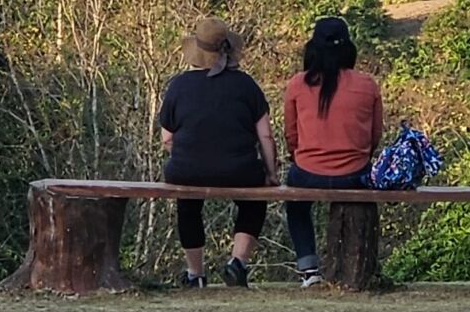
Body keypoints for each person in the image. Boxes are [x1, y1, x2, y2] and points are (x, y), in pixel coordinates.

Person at [159, 16, 278, 289]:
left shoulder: (179, 85)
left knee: (188, 204)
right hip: (240, 169)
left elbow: (167, 138)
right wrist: (271, 173)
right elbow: (265, 135)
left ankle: (195, 273)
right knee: (254, 201)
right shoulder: (246, 85)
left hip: (187, 169)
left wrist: (190, 154)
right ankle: (237, 262)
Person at [284, 16, 383, 288]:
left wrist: (302, 157)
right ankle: (358, 269)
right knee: (361, 199)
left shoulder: (296, 84)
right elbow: (375, 135)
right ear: (348, 49)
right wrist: (357, 157)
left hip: (306, 172)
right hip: (355, 173)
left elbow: (291, 135)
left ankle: (309, 268)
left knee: (295, 206)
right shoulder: (367, 84)